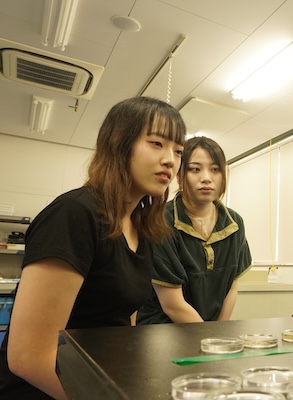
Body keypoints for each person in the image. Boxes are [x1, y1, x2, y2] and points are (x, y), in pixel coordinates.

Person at [0, 97, 186, 399]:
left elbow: (123, 320)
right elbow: (28, 357)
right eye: (156, 143)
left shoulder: (141, 229)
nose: (170, 160)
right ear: (119, 144)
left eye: (178, 151)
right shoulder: (74, 214)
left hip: (101, 378)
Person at [136, 136, 251, 324]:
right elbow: (172, 305)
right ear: (179, 176)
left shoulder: (234, 223)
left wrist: (218, 334)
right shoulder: (161, 221)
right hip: (161, 330)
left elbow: (231, 287)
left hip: (208, 331)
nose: (206, 178)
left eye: (215, 169)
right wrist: (209, 337)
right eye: (195, 169)